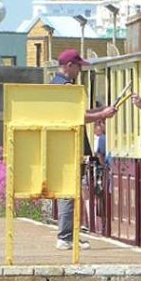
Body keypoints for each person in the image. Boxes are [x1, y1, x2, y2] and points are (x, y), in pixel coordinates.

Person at [51, 49, 116, 250]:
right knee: (69, 191)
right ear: (69, 66)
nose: (80, 70)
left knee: (71, 191)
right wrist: (101, 114)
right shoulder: (66, 87)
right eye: (79, 66)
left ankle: (70, 234)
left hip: (64, 144)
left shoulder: (55, 85)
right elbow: (75, 116)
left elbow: (80, 112)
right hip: (69, 145)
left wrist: (101, 111)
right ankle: (65, 237)